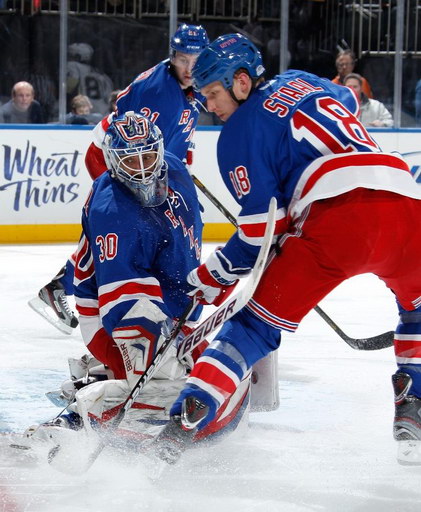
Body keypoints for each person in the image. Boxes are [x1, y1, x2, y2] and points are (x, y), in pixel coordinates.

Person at [159, 33, 421, 466]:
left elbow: (261, 233)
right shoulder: (301, 79)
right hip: (406, 202)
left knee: (254, 329)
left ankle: (178, 430)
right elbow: (346, 103)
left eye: (213, 93)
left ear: (241, 82)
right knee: (416, 309)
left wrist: (211, 277)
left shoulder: (238, 134)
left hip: (338, 221)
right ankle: (411, 412)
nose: (209, 105)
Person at [25, 111, 250, 456]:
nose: (143, 169)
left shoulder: (173, 167)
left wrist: (207, 281)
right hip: (109, 314)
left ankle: (109, 379)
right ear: (114, 163)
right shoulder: (113, 212)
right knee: (160, 369)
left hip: (175, 304)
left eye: (148, 156)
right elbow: (125, 304)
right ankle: (76, 419)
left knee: (210, 371)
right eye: (131, 161)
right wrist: (158, 350)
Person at [29, 24, 209, 333]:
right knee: (122, 227)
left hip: (138, 159)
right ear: (172, 57)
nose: (189, 67)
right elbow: (139, 149)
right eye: (182, 59)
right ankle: (66, 286)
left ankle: (63, 285)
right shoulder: (160, 94)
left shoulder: (188, 86)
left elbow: (173, 146)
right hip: (112, 158)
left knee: (135, 228)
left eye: (195, 59)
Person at [67, 42, 114, 116]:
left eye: (71, 55)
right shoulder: (102, 75)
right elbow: (109, 96)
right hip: (103, 112)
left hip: (85, 110)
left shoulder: (73, 67)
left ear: (78, 56)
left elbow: (69, 87)